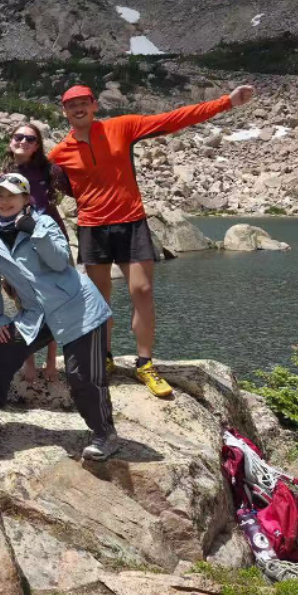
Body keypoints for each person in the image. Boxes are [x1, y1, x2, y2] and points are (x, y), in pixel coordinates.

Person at [48, 83, 255, 397]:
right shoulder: (60, 153)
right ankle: (105, 358)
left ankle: (145, 363)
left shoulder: (122, 127)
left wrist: (226, 102)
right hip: (92, 227)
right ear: (64, 111)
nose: (78, 108)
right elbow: (41, 183)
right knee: (99, 301)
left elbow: (172, 119)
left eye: (83, 103)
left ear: (94, 105)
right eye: (71, 105)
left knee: (141, 290)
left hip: (131, 222)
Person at [0, 173, 120, 461]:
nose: (4, 201)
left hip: (76, 306)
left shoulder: (42, 222)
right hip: (36, 312)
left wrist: (33, 231)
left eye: (12, 196)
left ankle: (104, 434)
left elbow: (59, 261)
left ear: (26, 199)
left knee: (83, 376)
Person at [0, 122, 72, 383]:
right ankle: (29, 362)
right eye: (18, 137)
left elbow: (78, 188)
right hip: (18, 243)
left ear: (38, 145)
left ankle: (51, 362)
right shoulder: (1, 177)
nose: (23, 142)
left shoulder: (50, 170)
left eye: (30, 139)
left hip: (49, 236)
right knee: (24, 300)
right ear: (10, 141)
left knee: (57, 300)